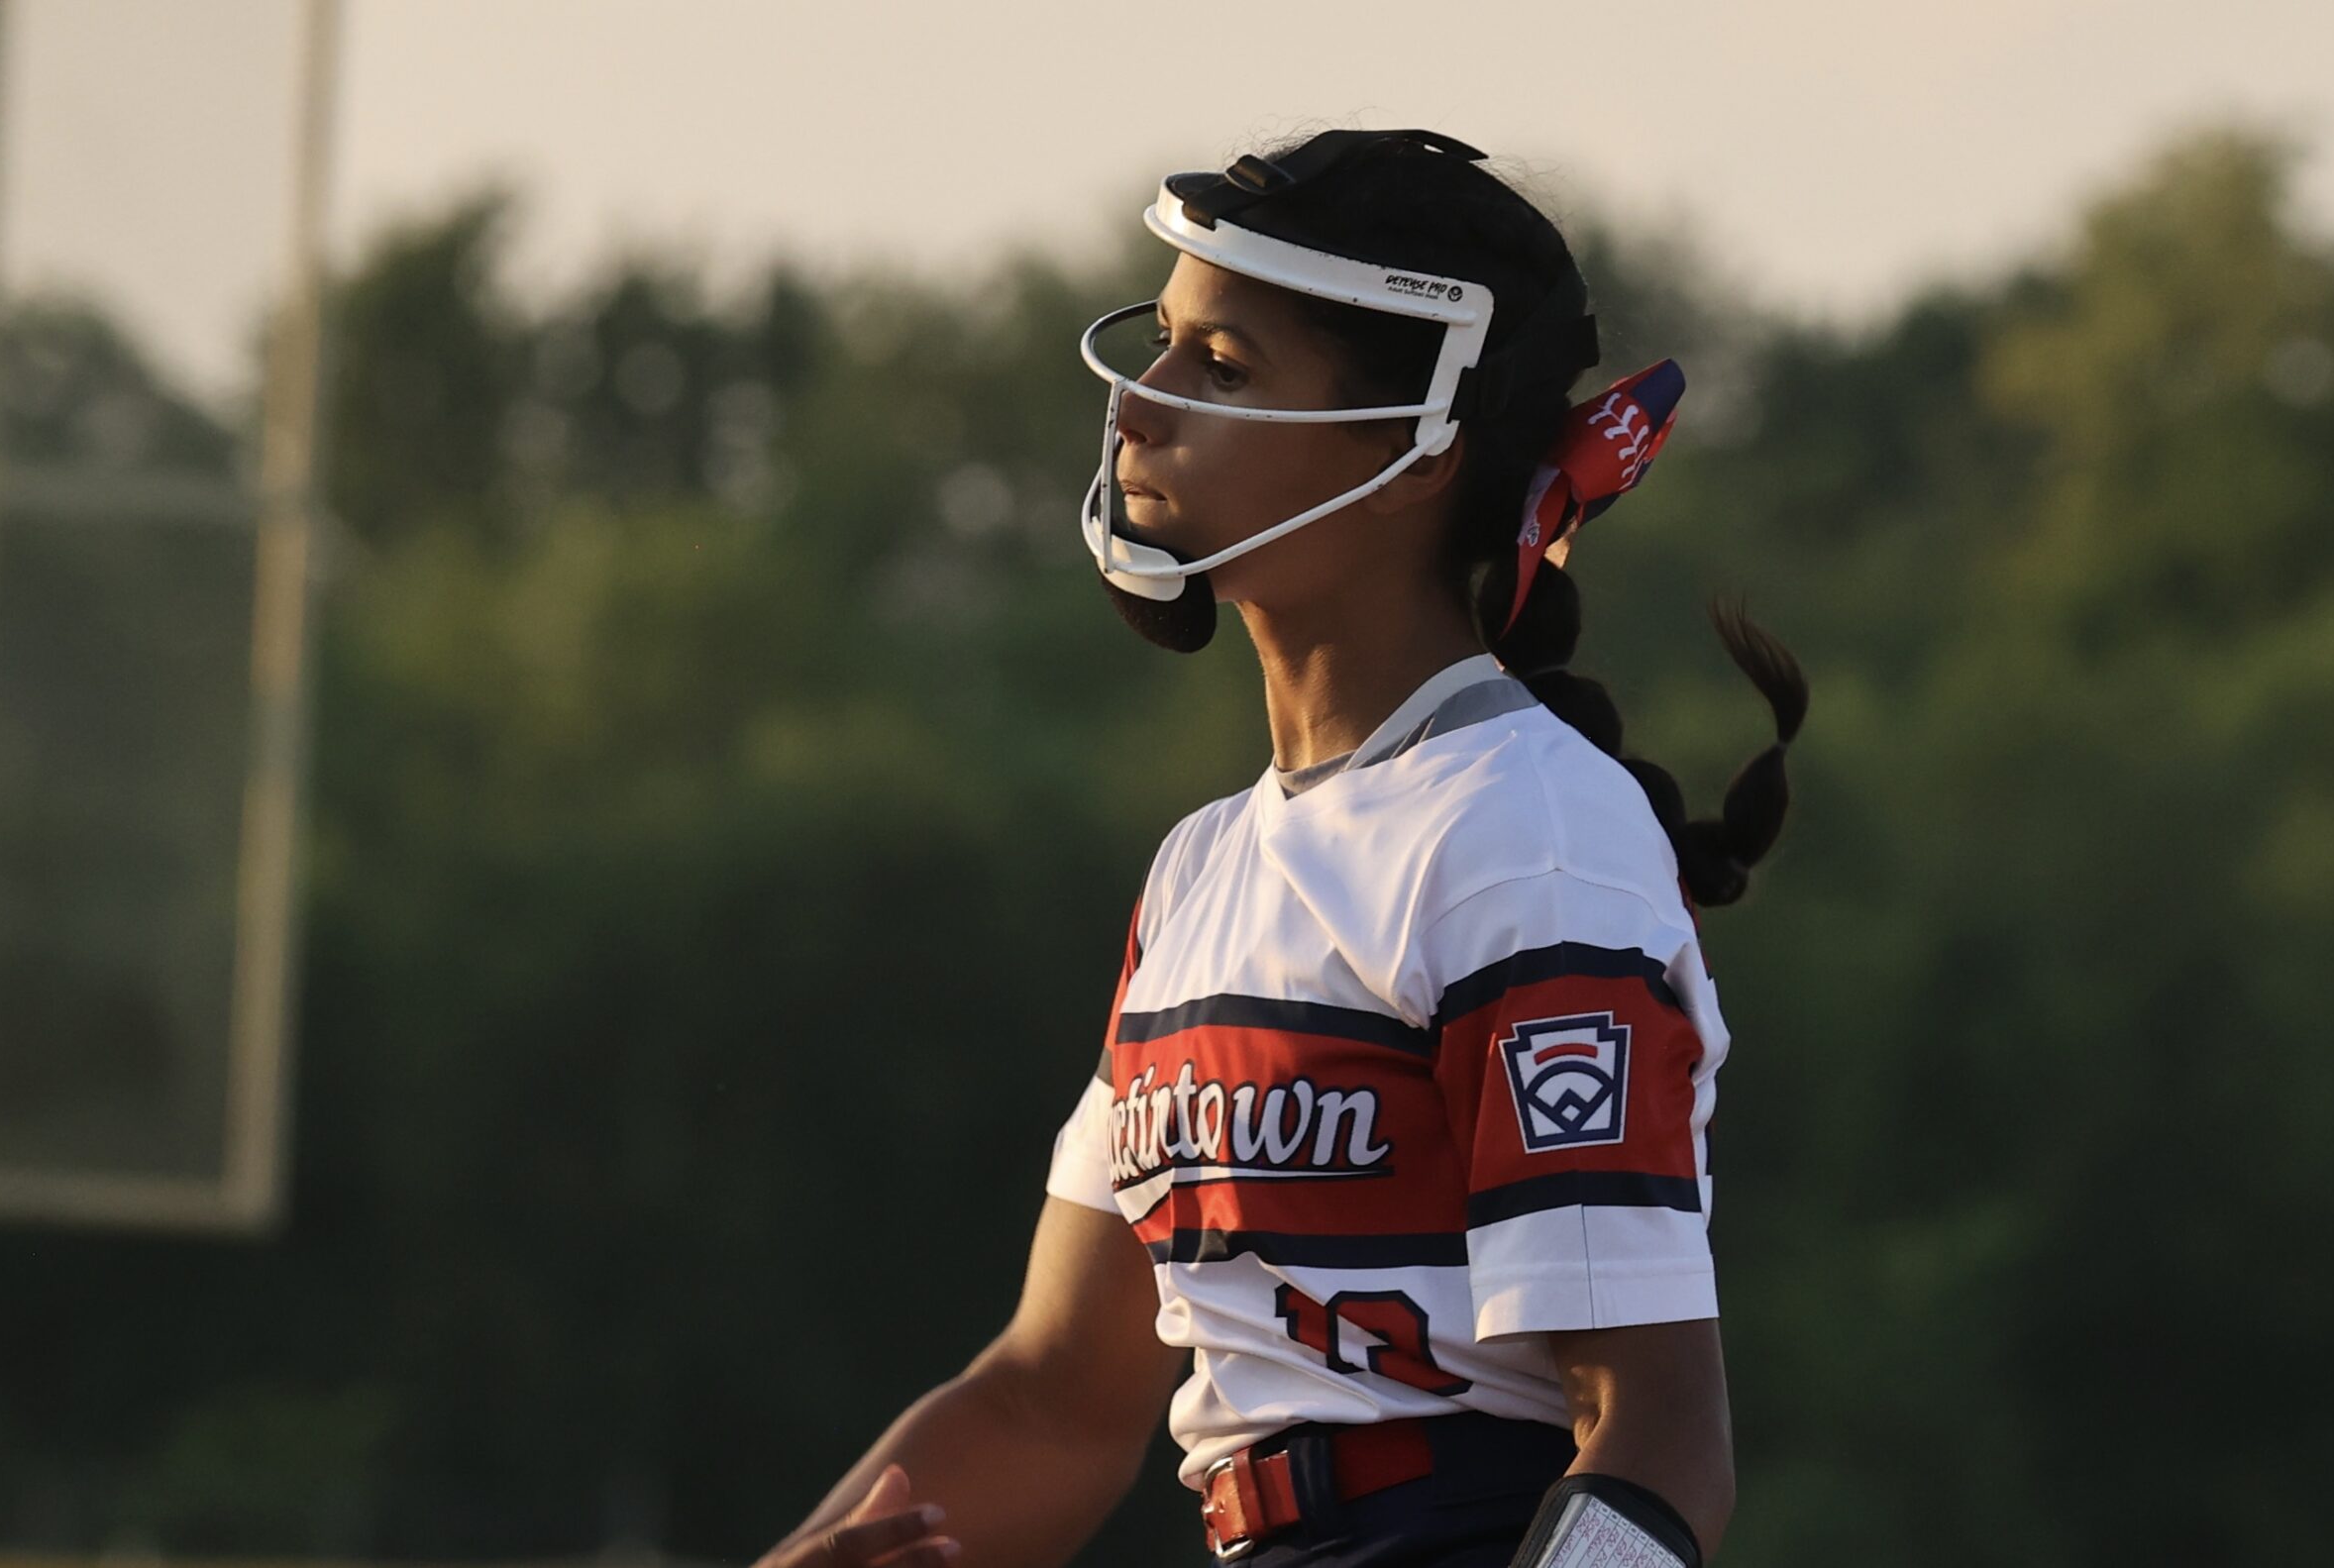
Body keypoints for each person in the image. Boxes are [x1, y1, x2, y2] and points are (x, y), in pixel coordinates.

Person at [753, 128, 1807, 1568]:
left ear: (1421, 442)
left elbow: (1657, 1435)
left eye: (1225, 368)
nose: (1141, 405)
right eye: (1164, 344)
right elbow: (1057, 1400)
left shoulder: (1521, 829)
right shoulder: (1204, 868)